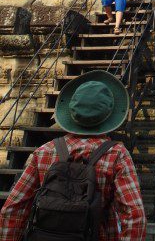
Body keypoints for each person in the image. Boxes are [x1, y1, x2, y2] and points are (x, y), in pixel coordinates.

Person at [0, 70, 146, 241]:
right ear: (109, 116)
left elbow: (13, 209)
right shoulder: (117, 155)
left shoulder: (43, 152)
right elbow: (134, 215)